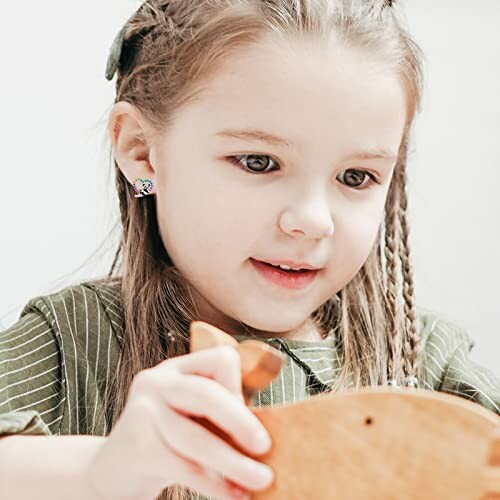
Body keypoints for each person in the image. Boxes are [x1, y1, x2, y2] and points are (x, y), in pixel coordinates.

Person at [1, 1, 499, 499]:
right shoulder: (72, 341)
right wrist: (102, 470)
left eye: (356, 177)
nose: (312, 220)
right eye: (259, 162)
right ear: (141, 150)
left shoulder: (422, 360)